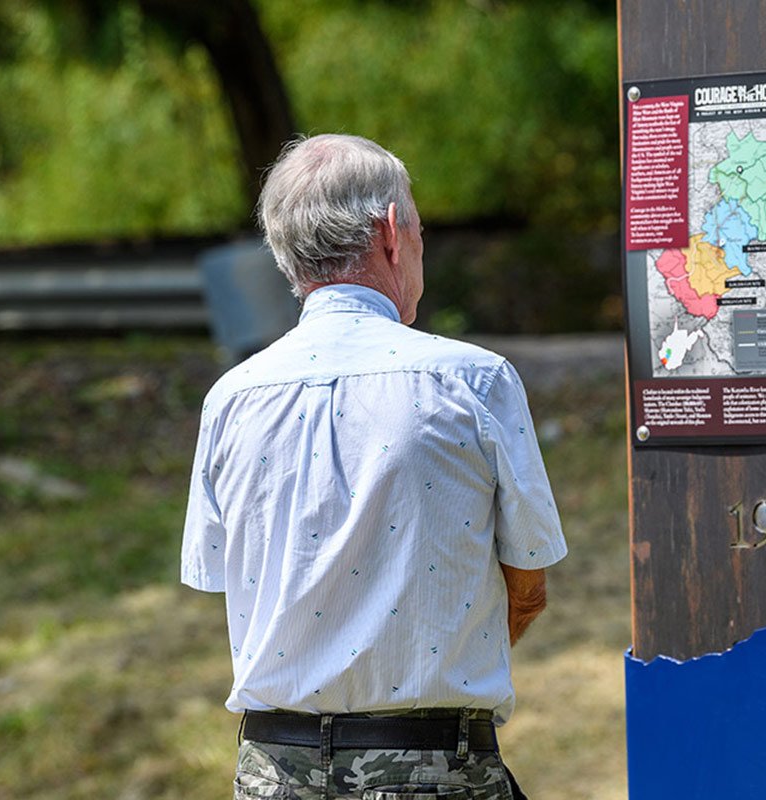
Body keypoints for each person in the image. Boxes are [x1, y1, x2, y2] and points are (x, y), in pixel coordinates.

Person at [180, 133, 567, 800]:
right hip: (431, 768)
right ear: (392, 232)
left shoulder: (229, 400)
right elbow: (526, 585)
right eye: (418, 227)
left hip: (272, 772)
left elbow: (224, 580)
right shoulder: (474, 382)